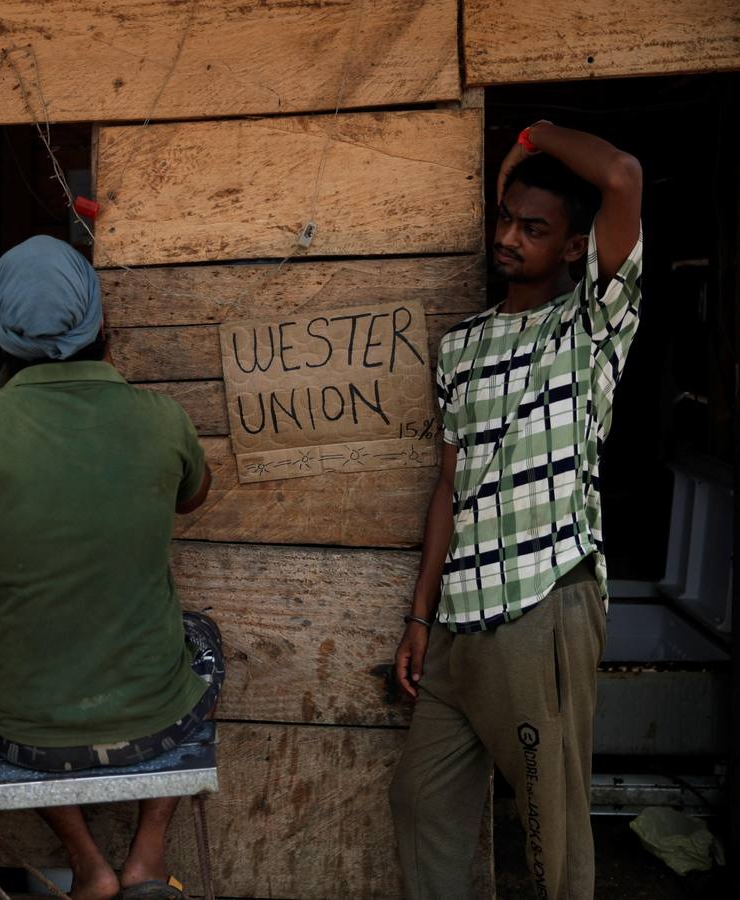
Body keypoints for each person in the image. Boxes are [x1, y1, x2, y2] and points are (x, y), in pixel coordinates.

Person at [0, 235, 223, 900]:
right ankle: (146, 855)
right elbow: (194, 495)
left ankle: (88, 864)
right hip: (155, 722)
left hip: (21, 735)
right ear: (101, 322)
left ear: (0, 332)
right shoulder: (161, 418)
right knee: (204, 641)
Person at [389, 122, 643, 899]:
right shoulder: (460, 346)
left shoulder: (592, 325)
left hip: (543, 603)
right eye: (505, 220)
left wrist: (532, 135)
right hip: (459, 621)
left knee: (551, 834)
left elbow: (623, 175)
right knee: (420, 801)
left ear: (573, 248)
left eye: (533, 229)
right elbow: (449, 487)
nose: (507, 238)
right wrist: (421, 614)